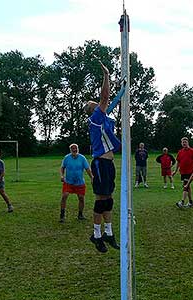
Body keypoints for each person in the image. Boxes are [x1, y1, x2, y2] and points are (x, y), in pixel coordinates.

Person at [84, 61, 121, 253]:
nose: (98, 104)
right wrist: (106, 75)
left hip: (108, 163)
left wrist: (123, 90)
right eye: (95, 104)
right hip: (100, 162)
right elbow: (106, 98)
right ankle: (96, 235)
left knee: (108, 199)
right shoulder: (95, 118)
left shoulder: (103, 118)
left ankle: (108, 232)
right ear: (93, 110)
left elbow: (112, 102)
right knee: (101, 199)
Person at [59, 143, 93, 223]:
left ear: (78, 149)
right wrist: (62, 176)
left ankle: (80, 215)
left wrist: (92, 177)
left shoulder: (82, 158)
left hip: (79, 183)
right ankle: (62, 215)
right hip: (68, 182)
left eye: (75, 148)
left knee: (81, 198)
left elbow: (87, 169)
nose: (74, 150)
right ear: (70, 150)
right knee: (64, 196)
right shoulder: (67, 158)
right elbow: (62, 168)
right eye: (72, 149)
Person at [173, 137, 193, 208]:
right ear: (181, 143)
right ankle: (190, 202)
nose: (184, 143)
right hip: (183, 172)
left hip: (190, 172)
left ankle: (182, 202)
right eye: (183, 142)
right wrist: (175, 171)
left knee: (185, 185)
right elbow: (178, 162)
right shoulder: (180, 152)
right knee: (187, 186)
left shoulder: (192, 151)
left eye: (185, 142)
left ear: (188, 143)